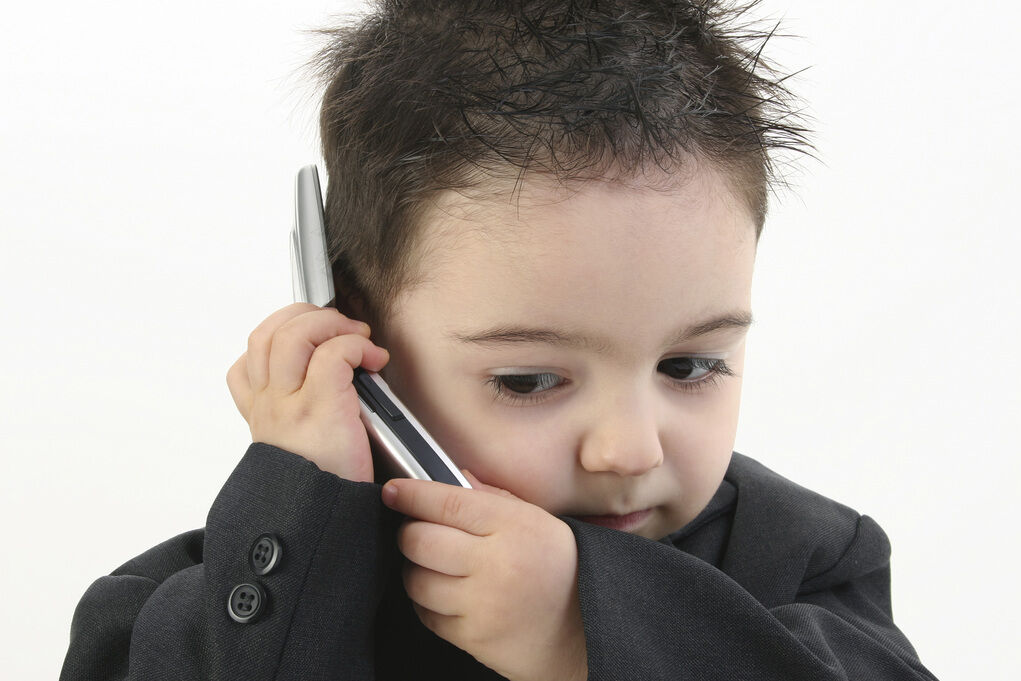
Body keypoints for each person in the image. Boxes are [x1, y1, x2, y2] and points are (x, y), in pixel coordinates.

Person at [60, 1, 938, 679]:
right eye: (528, 379)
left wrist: (586, 629)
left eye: (690, 364)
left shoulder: (804, 562)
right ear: (356, 342)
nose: (628, 449)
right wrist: (301, 498)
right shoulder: (231, 592)